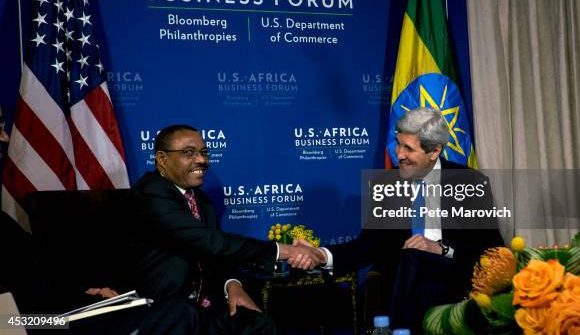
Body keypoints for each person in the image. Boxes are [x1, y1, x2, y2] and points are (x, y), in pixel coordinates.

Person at [295, 108, 504, 332]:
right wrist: (321, 254)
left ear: (434, 151)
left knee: (415, 259)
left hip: (455, 280)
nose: (399, 154)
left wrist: (440, 248)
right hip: (406, 282)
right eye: (398, 144)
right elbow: (367, 245)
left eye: (408, 148)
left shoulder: (469, 182)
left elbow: (491, 248)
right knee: (411, 259)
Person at [127, 124, 322, 334]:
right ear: (162, 159)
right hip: (164, 313)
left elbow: (217, 255)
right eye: (188, 152)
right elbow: (213, 242)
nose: (202, 160)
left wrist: (233, 285)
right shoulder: (149, 194)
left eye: (203, 152)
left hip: (205, 309)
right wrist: (285, 250)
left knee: (258, 323)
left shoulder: (201, 200)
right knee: (185, 314)